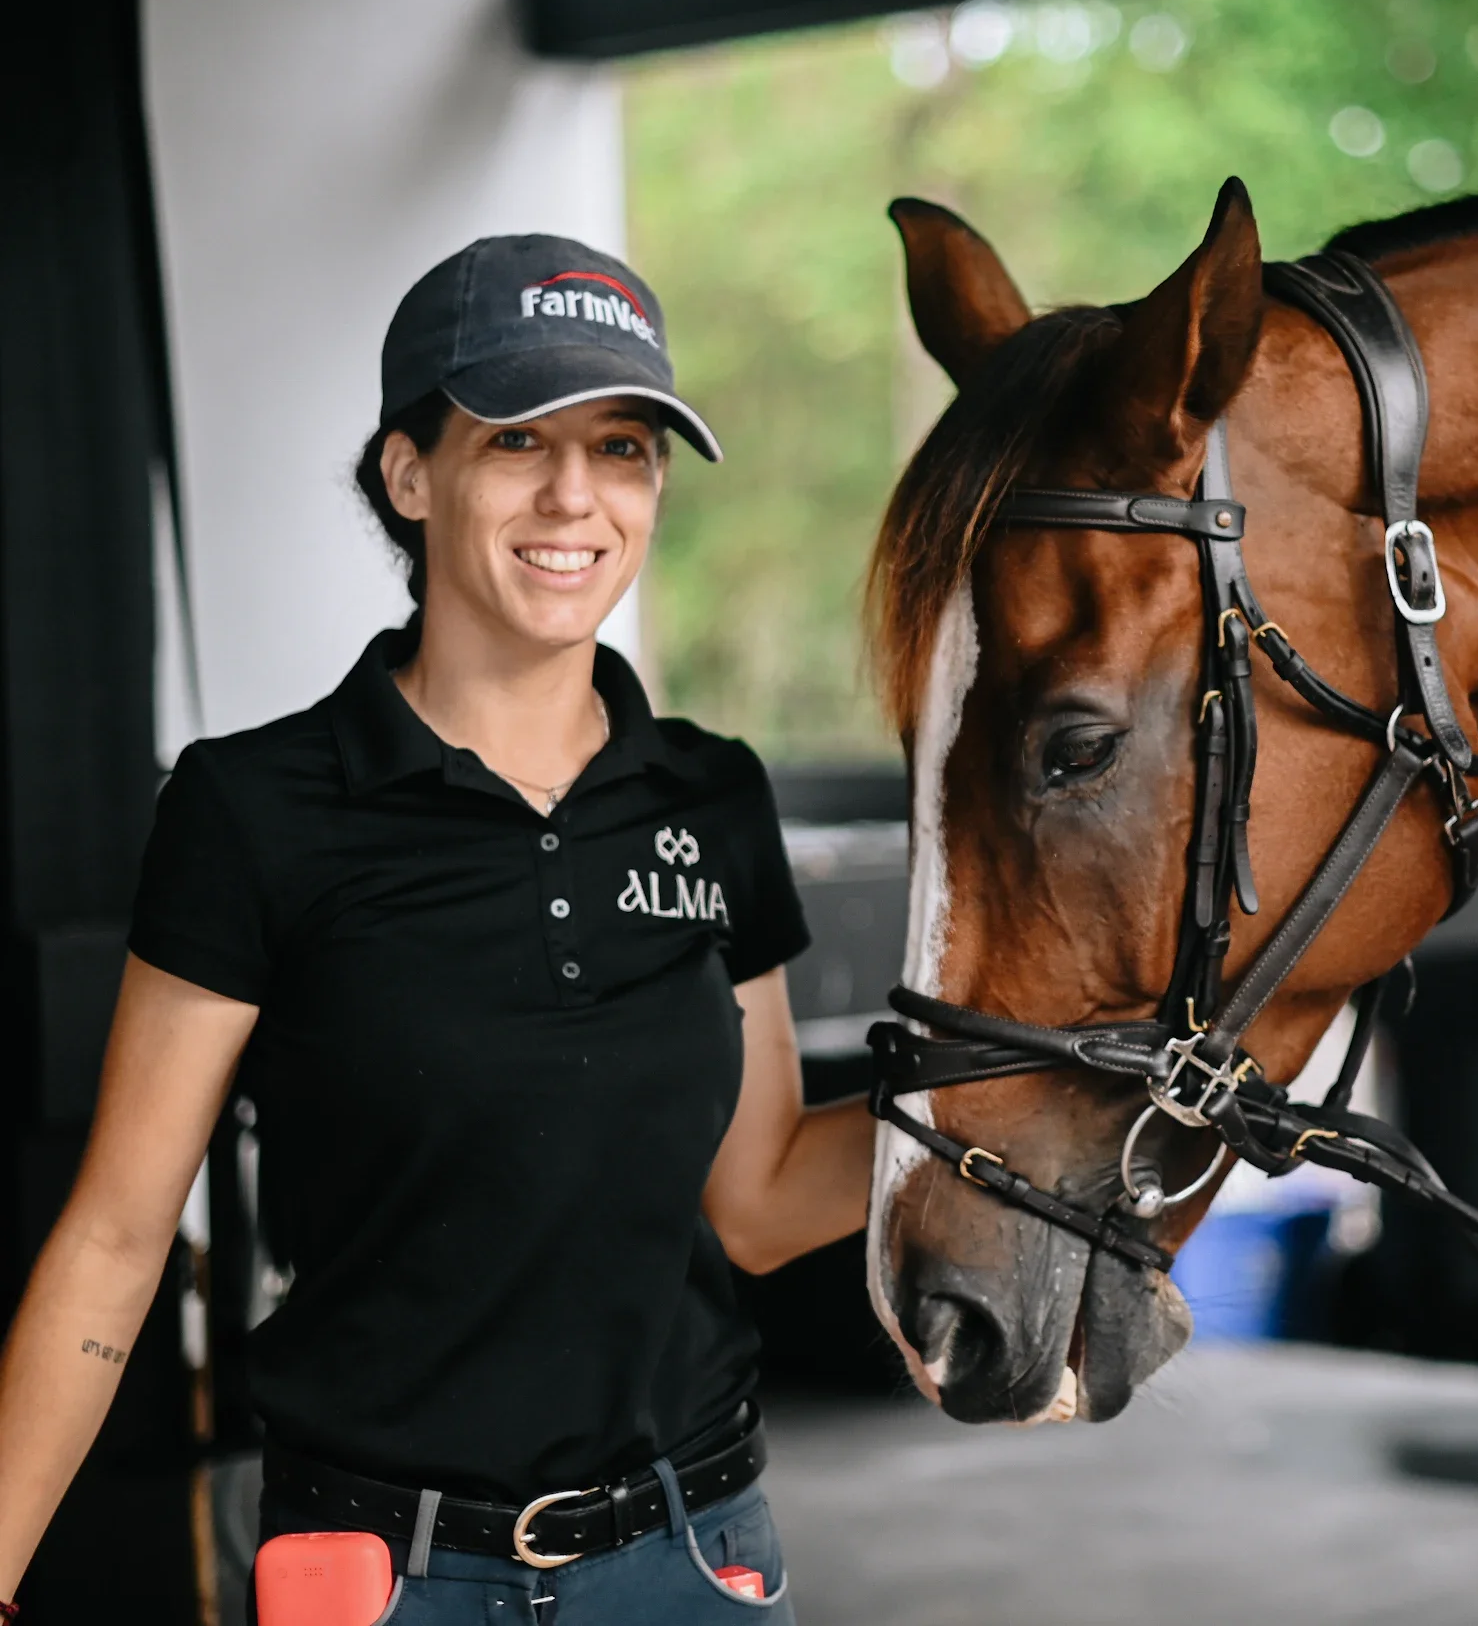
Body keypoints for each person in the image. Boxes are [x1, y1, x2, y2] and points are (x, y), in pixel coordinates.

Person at [0, 235, 875, 1622]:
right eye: (519, 439)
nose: (576, 496)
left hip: (693, 1558)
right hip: (382, 1579)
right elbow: (114, 1239)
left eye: (626, 447)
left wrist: (1041, 1097)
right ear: (411, 474)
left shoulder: (713, 796)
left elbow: (759, 1199)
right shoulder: (254, 808)